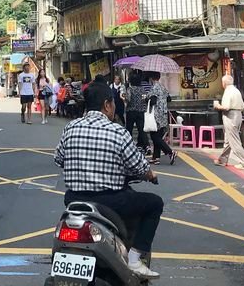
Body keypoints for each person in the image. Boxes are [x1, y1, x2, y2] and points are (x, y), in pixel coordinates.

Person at [54, 82, 163, 279]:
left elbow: (58, 159)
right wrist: (150, 175)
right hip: (109, 201)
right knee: (155, 203)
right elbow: (138, 166)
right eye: (113, 103)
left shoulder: (70, 128)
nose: (113, 107)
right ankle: (135, 259)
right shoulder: (117, 131)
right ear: (107, 105)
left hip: (74, 200)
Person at [213, 74, 244, 170]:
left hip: (230, 116)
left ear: (224, 83)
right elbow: (243, 106)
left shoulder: (228, 91)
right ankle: (222, 160)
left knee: (234, 141)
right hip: (238, 115)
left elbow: (226, 107)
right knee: (228, 140)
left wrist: (217, 105)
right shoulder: (236, 90)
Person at [145, 71, 176, 165]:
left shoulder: (154, 88)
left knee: (155, 137)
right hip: (163, 114)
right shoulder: (163, 87)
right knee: (158, 136)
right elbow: (169, 99)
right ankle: (156, 157)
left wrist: (147, 99)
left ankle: (170, 152)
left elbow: (152, 100)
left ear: (151, 78)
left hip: (156, 116)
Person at [125, 71, 150, 152]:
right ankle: (147, 146)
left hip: (131, 111)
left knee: (129, 129)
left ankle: (128, 145)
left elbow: (128, 99)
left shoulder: (130, 89)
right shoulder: (142, 89)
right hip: (140, 111)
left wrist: (124, 97)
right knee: (141, 129)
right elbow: (145, 99)